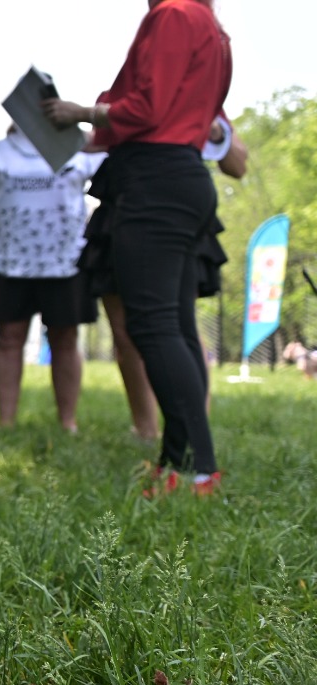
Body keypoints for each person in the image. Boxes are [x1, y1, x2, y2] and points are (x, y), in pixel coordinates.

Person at [43, 0, 232, 495]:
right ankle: (182, 462)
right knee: (177, 327)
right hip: (182, 177)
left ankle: (197, 470)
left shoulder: (173, 14)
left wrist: (80, 111)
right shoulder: (212, 27)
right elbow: (177, 113)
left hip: (154, 183)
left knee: (153, 326)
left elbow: (149, 108)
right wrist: (86, 134)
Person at [105, 116, 248, 442]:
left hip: (175, 210)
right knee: (128, 332)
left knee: (177, 326)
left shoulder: (201, 97)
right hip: (122, 202)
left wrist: (215, 130)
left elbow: (237, 164)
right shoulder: (114, 98)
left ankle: (194, 435)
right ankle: (149, 430)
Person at [0, 124, 105, 433]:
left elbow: (111, 153)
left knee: (65, 339)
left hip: (66, 262)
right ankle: (6, 421)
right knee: (8, 338)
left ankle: (68, 421)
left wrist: (80, 133)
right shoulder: (0, 151)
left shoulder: (76, 147)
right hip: (9, 261)